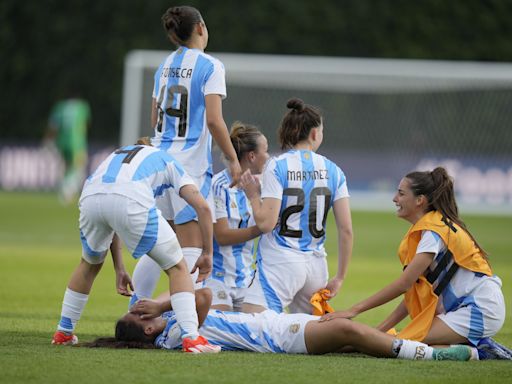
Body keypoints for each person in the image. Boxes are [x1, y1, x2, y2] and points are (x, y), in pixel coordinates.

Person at [320, 167, 511, 359]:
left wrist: (354, 310)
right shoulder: (432, 226)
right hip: (474, 306)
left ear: (420, 200)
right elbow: (411, 294)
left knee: (401, 346)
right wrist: (379, 332)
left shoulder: (432, 232)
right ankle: (477, 349)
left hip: (480, 308)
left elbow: (404, 284)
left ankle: (480, 353)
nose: (395, 199)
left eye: (401, 194)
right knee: (398, 343)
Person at [51, 143, 220, 353]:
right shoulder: (171, 162)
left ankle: (63, 332)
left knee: (88, 264)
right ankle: (191, 338)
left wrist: (119, 268)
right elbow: (202, 207)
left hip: (90, 196)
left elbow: (110, 216)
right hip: (130, 197)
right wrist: (207, 253)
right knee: (177, 267)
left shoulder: (122, 152)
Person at [130, 5, 242, 298]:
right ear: (201, 27)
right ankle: (185, 326)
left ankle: (133, 315)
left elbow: (155, 120)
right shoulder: (211, 65)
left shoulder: (163, 67)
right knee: (191, 248)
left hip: (159, 161)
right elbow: (214, 120)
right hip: (188, 166)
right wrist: (232, 160)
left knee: (161, 247)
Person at [87, 288, 479, 361]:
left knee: (351, 342)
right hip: (275, 337)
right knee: (347, 330)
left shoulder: (171, 329)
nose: (147, 312)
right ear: (150, 329)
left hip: (273, 325)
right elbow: (203, 296)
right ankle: (428, 356)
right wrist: (160, 302)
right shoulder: (174, 332)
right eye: (142, 317)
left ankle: (449, 350)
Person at [239, 98, 353, 314]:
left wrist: (253, 196)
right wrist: (339, 277)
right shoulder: (334, 170)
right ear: (313, 134)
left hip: (282, 262)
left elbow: (266, 223)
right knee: (313, 335)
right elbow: (346, 230)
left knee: (250, 324)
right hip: (317, 266)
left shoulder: (277, 165)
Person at [206, 122, 268, 310]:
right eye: (265, 150)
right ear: (252, 156)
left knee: (261, 331)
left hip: (246, 281)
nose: (268, 156)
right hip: (218, 279)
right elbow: (222, 236)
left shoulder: (260, 188)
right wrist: (262, 228)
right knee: (221, 331)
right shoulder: (219, 186)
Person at [45, 97, 90, 204]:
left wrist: (48, 139)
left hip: (62, 141)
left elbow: (53, 126)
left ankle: (64, 190)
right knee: (78, 165)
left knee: (66, 166)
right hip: (77, 143)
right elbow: (85, 125)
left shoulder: (60, 107)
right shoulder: (82, 107)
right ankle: (68, 191)